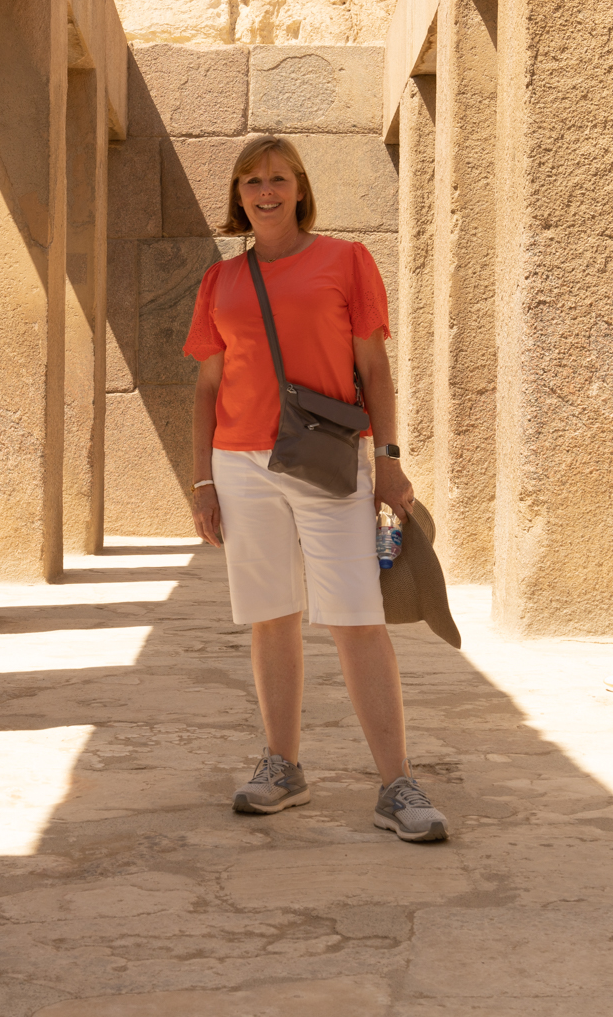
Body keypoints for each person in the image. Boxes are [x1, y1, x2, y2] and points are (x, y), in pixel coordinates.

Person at [183, 135, 450, 843]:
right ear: (238, 198)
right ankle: (283, 766)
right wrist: (203, 480)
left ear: (300, 188)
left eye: (277, 179)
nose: (264, 192)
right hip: (240, 466)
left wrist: (388, 459)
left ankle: (396, 783)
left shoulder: (346, 262)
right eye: (250, 183)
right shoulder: (222, 283)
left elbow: (376, 370)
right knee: (271, 614)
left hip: (330, 458)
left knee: (356, 615)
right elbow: (207, 386)